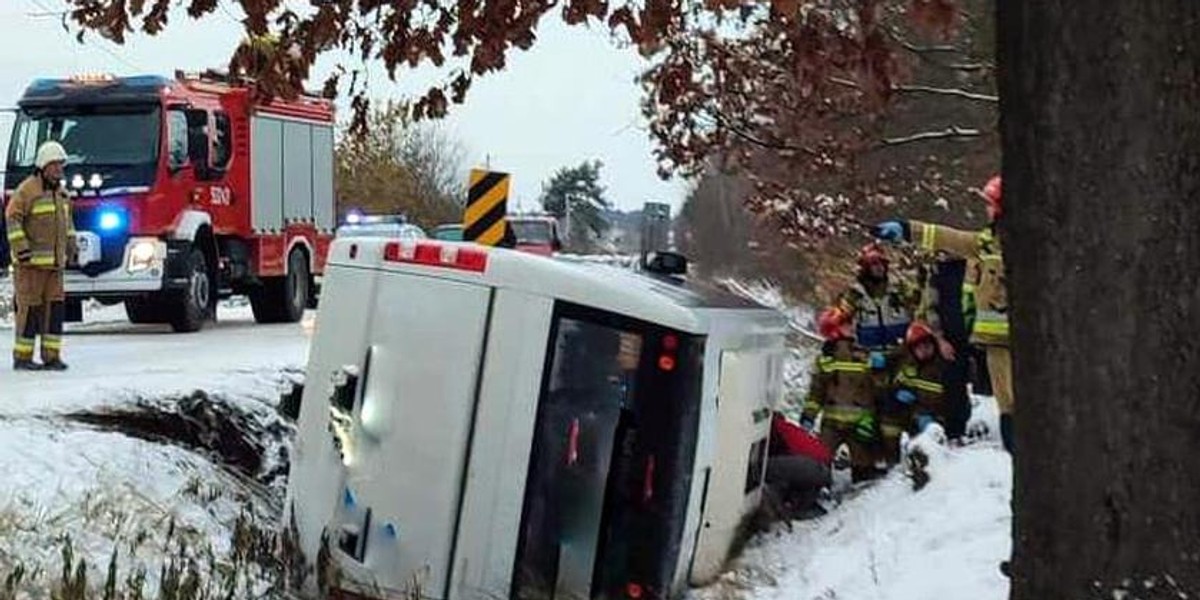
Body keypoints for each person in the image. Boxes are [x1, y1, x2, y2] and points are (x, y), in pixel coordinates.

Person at [872, 175, 1013, 453]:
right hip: (994, 343)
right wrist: (906, 229)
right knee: (1007, 407)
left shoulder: (1025, 245)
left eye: (989, 204)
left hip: (1022, 343)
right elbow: (947, 237)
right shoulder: (985, 243)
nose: (985, 210)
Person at [6, 140, 76, 371]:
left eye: (61, 165)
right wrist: (22, 250)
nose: (59, 169)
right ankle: (23, 357)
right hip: (30, 267)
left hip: (55, 268)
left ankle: (51, 356)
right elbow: (12, 218)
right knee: (30, 310)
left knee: (54, 311)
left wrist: (72, 248)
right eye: (54, 165)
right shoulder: (27, 191)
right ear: (43, 166)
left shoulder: (62, 195)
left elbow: (68, 226)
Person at [800, 308, 882, 482]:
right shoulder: (826, 360)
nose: (851, 327)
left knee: (864, 471)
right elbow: (816, 393)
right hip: (831, 426)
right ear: (834, 330)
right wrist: (808, 417)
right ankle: (820, 491)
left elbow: (874, 391)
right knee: (820, 462)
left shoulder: (864, 355)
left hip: (860, 425)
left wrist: (871, 419)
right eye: (845, 325)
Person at [764, 411, 832, 521]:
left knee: (762, 468)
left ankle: (798, 507)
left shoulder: (773, 429)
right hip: (824, 467)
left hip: (812, 466)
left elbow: (774, 455)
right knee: (788, 470)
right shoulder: (787, 427)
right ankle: (803, 504)